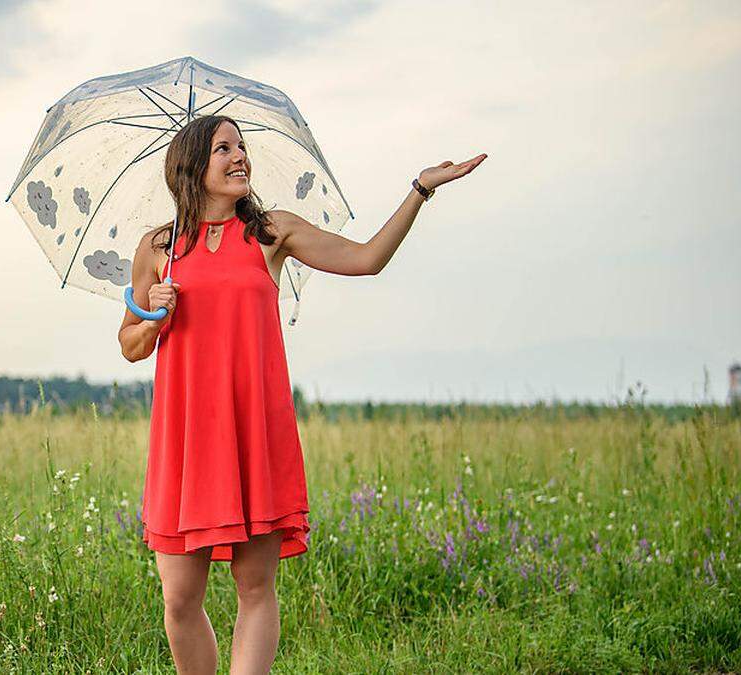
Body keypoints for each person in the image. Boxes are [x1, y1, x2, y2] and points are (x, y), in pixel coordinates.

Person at [118, 114, 486, 674]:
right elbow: (130, 344)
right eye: (224, 149)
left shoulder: (270, 232)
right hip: (187, 437)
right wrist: (154, 318)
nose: (240, 157)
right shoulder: (159, 248)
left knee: (254, 587)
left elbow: (366, 259)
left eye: (242, 147)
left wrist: (419, 190)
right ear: (192, 166)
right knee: (179, 598)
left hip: (254, 431)